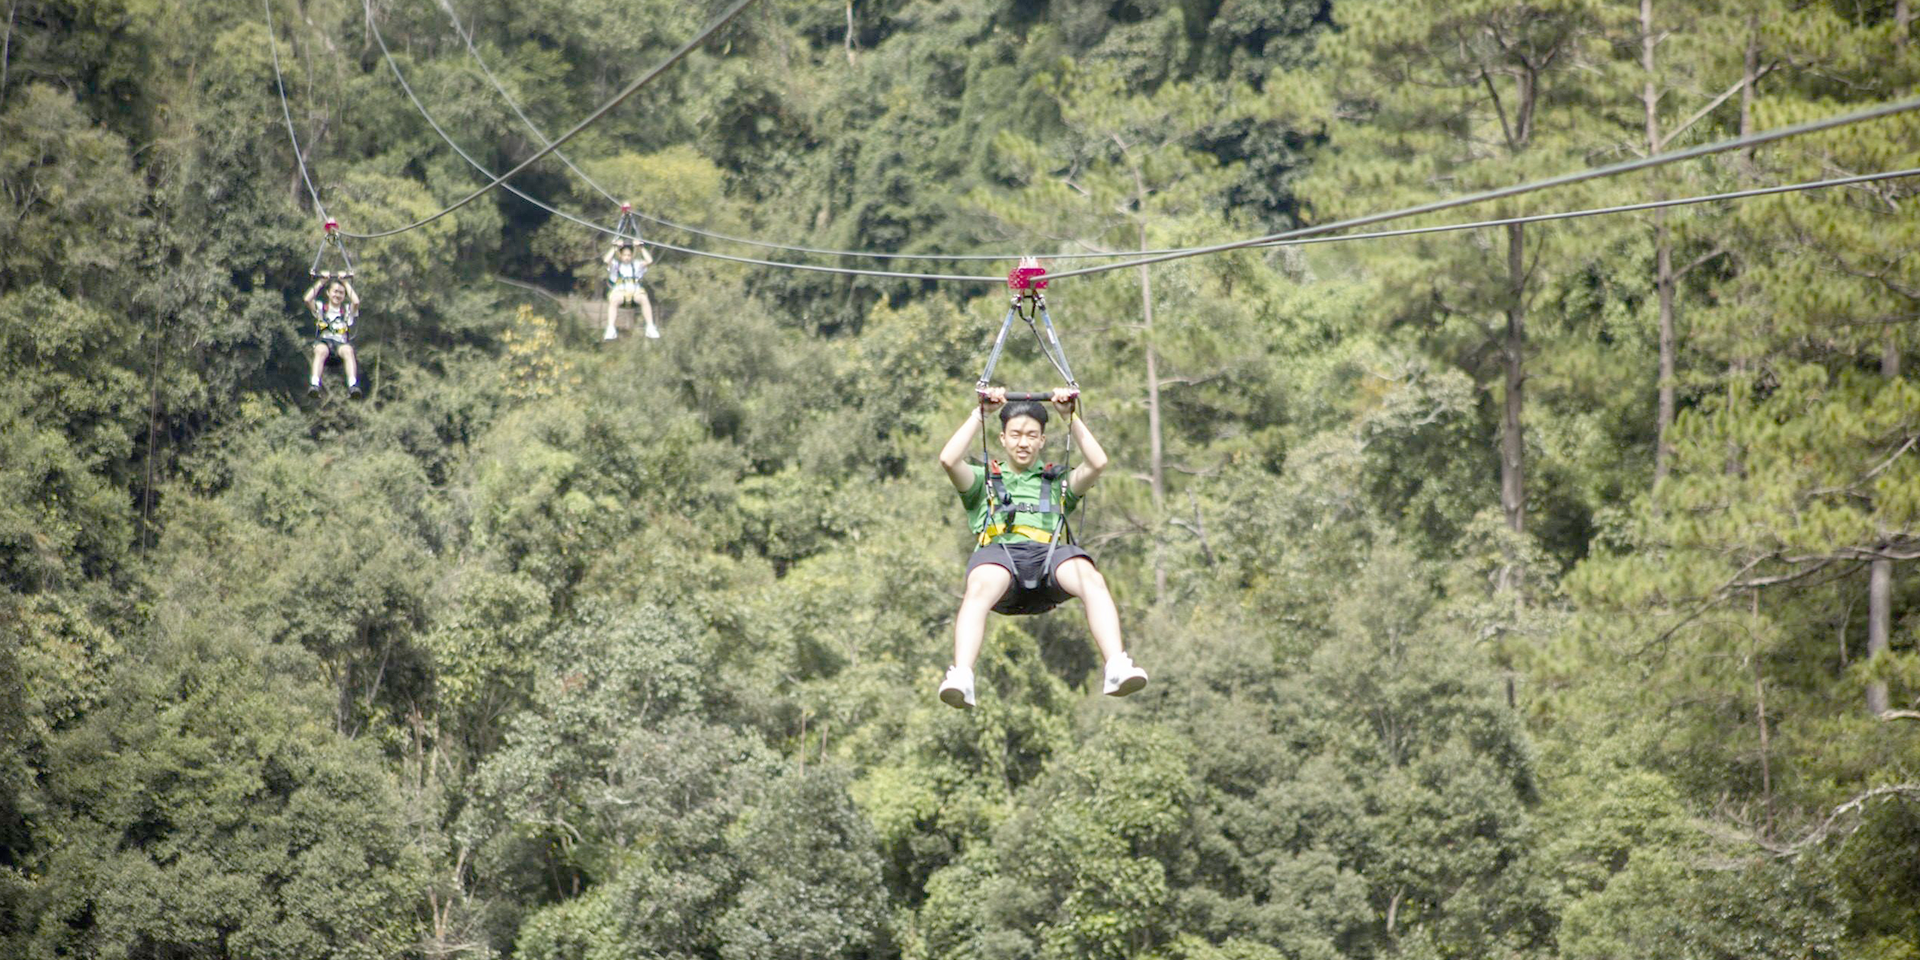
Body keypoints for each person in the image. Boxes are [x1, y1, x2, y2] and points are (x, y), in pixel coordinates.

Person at [933, 386, 1148, 708]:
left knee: (1091, 578)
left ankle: (1116, 663)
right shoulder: (983, 480)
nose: (1023, 442)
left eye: (1031, 435)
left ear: (1042, 441)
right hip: (1001, 556)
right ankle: (962, 674)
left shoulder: (1057, 481)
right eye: (1016, 434)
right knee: (979, 586)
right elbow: (949, 459)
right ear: (1003, 439)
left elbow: (1098, 463)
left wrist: (1070, 416)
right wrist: (981, 414)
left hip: (1048, 558)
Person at [304, 271, 361, 398]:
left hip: (340, 347)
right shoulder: (320, 308)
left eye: (341, 293)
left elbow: (356, 302)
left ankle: (353, 385)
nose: (337, 295)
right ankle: (314, 384)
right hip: (324, 343)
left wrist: (346, 282)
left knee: (348, 350)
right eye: (335, 291)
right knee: (321, 350)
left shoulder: (346, 311)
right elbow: (307, 299)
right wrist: (322, 281)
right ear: (328, 293)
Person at [603, 242, 657, 341]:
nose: (627, 257)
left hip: (634, 293)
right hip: (620, 293)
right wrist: (615, 247)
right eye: (624, 255)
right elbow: (606, 260)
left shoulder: (637, 265)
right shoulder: (615, 265)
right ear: (620, 255)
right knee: (614, 300)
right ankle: (611, 328)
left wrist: (640, 247)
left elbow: (649, 260)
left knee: (644, 298)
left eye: (629, 255)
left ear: (632, 256)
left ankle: (650, 326)